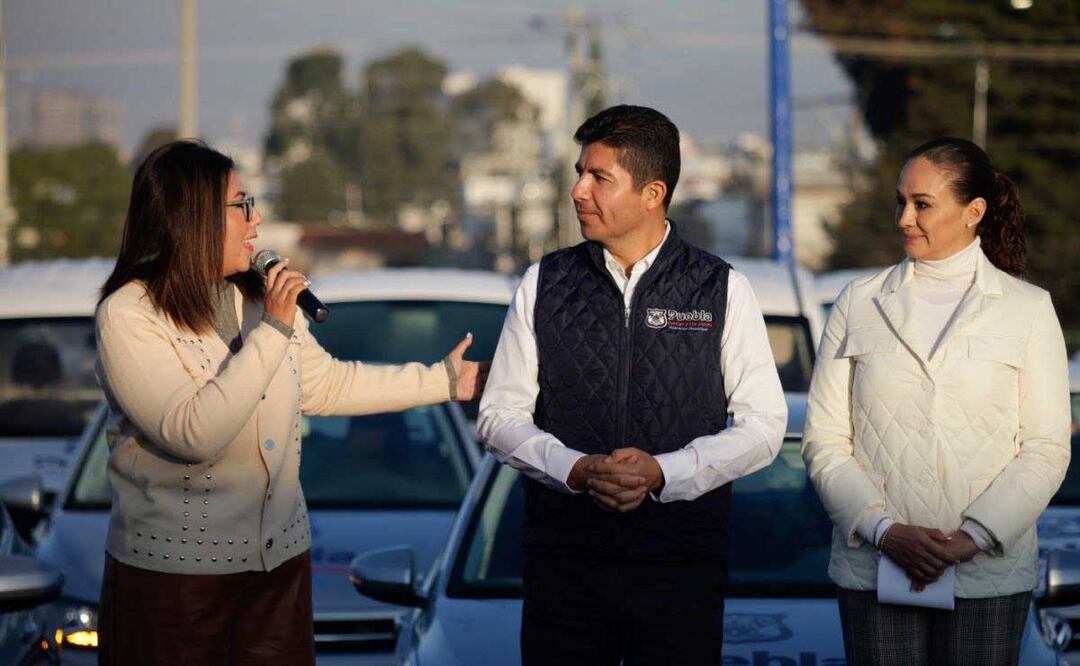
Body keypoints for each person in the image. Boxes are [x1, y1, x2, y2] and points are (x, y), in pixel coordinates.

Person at [93, 140, 487, 666]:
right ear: (192, 217)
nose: (256, 222)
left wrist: (442, 381)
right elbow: (193, 433)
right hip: (174, 581)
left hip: (277, 568)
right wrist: (274, 328)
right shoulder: (129, 314)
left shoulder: (257, 298)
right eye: (241, 205)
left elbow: (326, 386)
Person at [478, 105, 787, 665]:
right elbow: (499, 417)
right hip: (564, 569)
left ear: (653, 193)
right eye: (579, 172)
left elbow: (765, 427)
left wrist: (665, 472)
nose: (578, 190)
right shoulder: (543, 283)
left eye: (599, 178)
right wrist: (574, 469)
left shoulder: (721, 289)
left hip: (680, 569)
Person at [802, 137, 1070, 665]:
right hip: (874, 570)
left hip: (988, 574)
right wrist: (884, 530)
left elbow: (1045, 448)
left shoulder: (1029, 310)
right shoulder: (858, 302)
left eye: (922, 204)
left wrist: (972, 537)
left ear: (974, 212)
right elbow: (825, 441)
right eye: (900, 201)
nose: (905, 217)